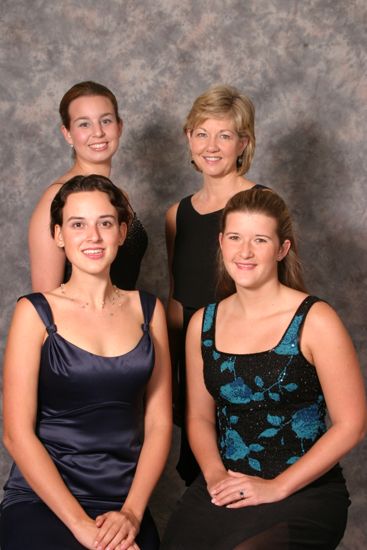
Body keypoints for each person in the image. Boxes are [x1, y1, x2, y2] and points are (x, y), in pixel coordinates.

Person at [161, 187, 367, 549]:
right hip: (228, 481)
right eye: (236, 238)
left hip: (304, 490)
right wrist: (214, 478)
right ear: (222, 242)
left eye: (259, 240)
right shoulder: (203, 324)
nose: (245, 252)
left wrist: (276, 487)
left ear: (282, 249)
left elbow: (352, 424)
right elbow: (199, 419)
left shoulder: (315, 320)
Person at [1, 175, 172, 550]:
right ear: (59, 235)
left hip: (124, 504)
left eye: (105, 223)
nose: (92, 237)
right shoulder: (34, 312)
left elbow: (159, 424)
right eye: (78, 224)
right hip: (44, 500)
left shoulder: (149, 310)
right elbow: (16, 433)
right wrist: (81, 527)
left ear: (122, 232)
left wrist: (131, 513)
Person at [166, 84, 264, 484]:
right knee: (202, 476)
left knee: (248, 467)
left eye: (224, 135)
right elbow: (178, 295)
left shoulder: (260, 204)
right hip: (192, 358)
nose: (211, 145)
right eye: (202, 133)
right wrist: (166, 371)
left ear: (243, 143)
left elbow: (280, 296)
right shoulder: (177, 214)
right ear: (188, 138)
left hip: (244, 355)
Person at [29, 81, 147, 292]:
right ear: (67, 133)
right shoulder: (56, 197)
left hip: (126, 319)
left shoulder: (121, 195)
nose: (98, 132)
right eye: (84, 124)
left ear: (120, 126)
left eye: (106, 121)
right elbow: (44, 299)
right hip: (76, 323)